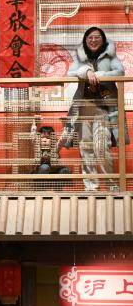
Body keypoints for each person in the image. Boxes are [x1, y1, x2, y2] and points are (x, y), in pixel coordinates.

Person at [60, 26, 127, 191]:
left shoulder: (110, 55)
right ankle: (91, 187)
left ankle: (112, 186)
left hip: (103, 109)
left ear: (103, 39)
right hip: (84, 107)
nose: (93, 40)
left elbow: (120, 72)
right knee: (86, 147)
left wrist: (100, 75)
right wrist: (86, 71)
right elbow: (70, 73)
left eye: (97, 37)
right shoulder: (81, 56)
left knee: (101, 146)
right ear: (85, 40)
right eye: (90, 37)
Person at [32, 124, 71, 190]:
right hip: (42, 174)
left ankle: (57, 189)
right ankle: (41, 189)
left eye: (47, 138)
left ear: (52, 139)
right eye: (42, 137)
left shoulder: (55, 147)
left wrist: (65, 129)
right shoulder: (37, 146)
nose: (44, 140)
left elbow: (62, 140)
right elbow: (33, 137)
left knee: (65, 170)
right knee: (45, 167)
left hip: (54, 173)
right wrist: (34, 124)